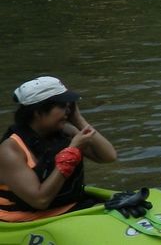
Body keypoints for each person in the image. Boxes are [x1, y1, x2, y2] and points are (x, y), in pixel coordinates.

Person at [0, 76, 117, 222]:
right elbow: (40, 201)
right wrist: (72, 152)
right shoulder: (10, 150)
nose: (68, 110)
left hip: (68, 209)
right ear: (38, 111)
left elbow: (108, 156)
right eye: (62, 106)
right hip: (27, 219)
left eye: (69, 106)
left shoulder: (65, 132)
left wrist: (79, 120)